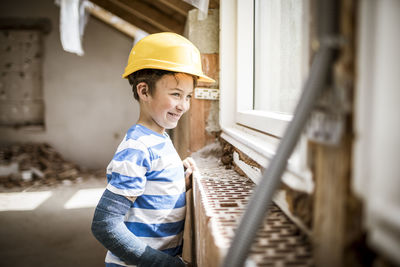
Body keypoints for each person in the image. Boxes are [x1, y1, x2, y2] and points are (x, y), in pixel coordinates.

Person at [91, 32, 215, 267]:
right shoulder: (137, 147)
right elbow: (104, 224)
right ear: (144, 91)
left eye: (188, 96)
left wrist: (179, 179)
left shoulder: (160, 138)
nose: (184, 105)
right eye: (176, 94)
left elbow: (148, 187)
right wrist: (162, 263)